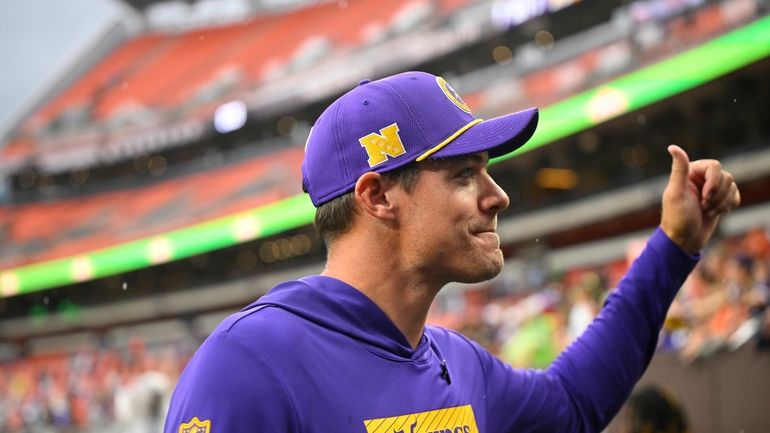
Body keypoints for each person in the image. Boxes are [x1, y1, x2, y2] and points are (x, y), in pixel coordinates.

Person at [163, 71, 740, 433]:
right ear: (378, 196)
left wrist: (674, 247)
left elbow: (573, 404)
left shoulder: (456, 360)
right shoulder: (248, 364)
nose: (498, 196)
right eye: (465, 174)